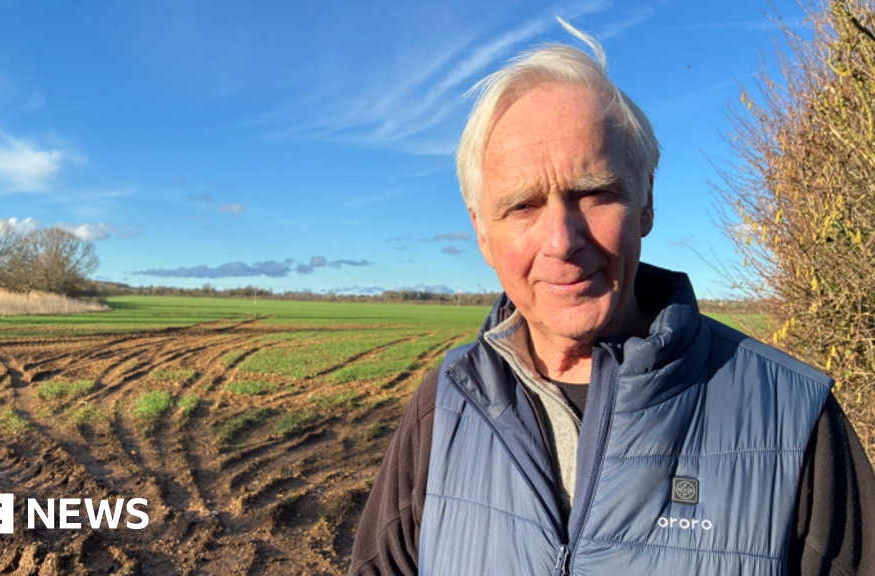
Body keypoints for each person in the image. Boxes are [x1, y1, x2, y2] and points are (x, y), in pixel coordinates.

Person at [349, 20, 875, 576]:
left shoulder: (793, 419)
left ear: (646, 201)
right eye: (523, 206)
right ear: (482, 231)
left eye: (595, 193)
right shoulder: (444, 406)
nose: (562, 242)